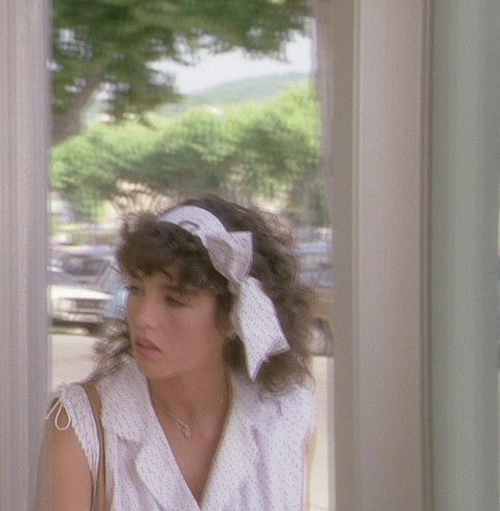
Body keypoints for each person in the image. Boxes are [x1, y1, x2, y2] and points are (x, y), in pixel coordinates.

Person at [36, 194, 317, 510]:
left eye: (174, 300)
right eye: (136, 290)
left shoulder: (287, 418)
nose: (143, 317)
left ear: (234, 317)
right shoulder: (83, 424)